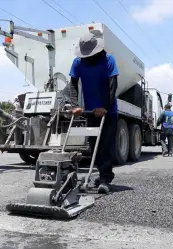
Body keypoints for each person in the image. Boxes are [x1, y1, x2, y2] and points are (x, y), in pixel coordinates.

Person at [68, 32, 118, 194]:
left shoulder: (108, 60)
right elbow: (73, 84)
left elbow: (113, 85)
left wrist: (105, 107)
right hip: (90, 111)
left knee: (105, 146)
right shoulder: (78, 63)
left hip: (108, 112)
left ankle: (105, 179)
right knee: (93, 146)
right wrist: (75, 105)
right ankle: (100, 175)